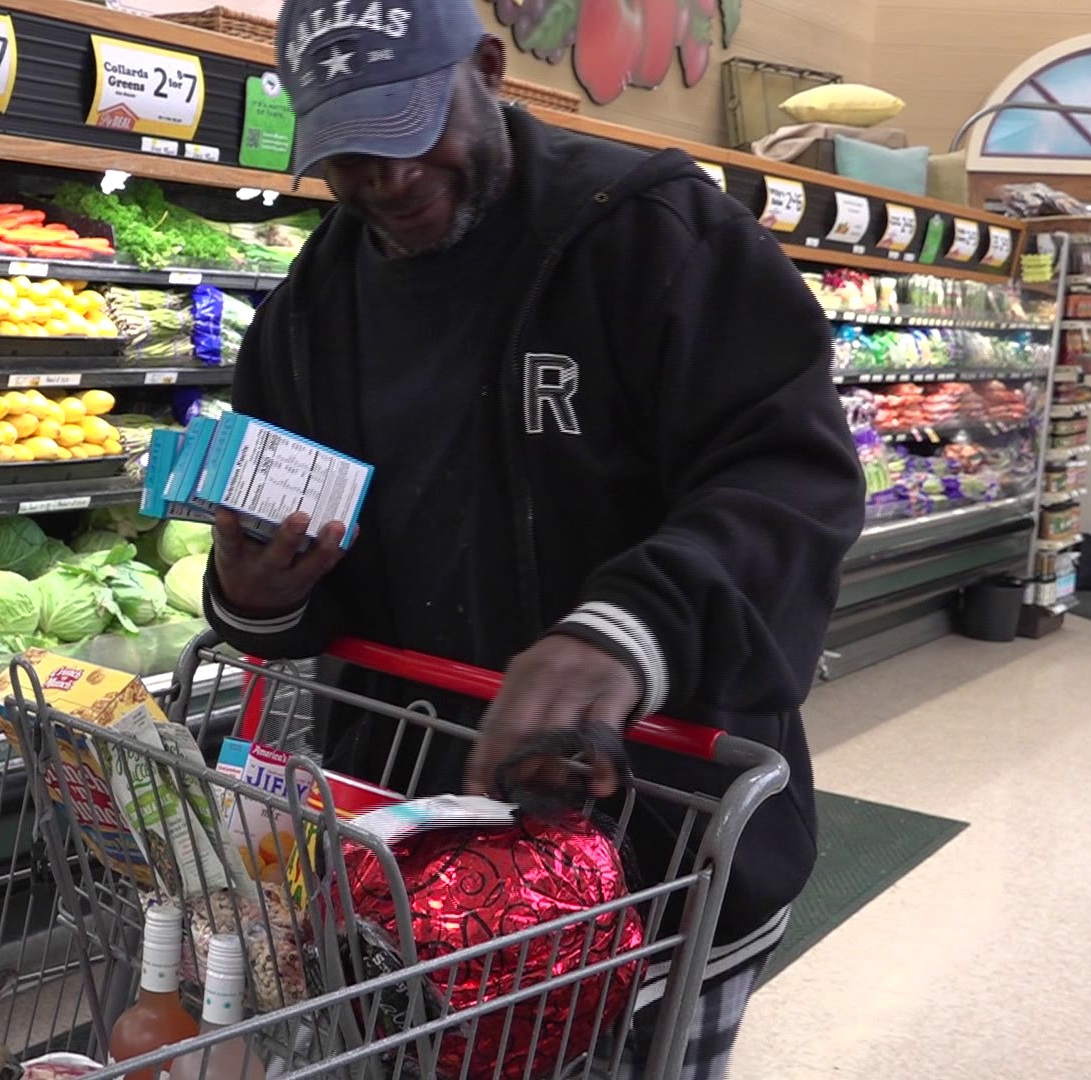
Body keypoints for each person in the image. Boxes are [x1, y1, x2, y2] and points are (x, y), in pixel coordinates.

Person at [200, 0, 867, 1075]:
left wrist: (626, 628)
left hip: (653, 847)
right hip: (412, 850)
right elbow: (283, 571)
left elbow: (790, 475)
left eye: (413, 128)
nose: (389, 180)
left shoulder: (653, 235)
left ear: (493, 68)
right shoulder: (314, 312)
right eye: (350, 155)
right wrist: (257, 589)